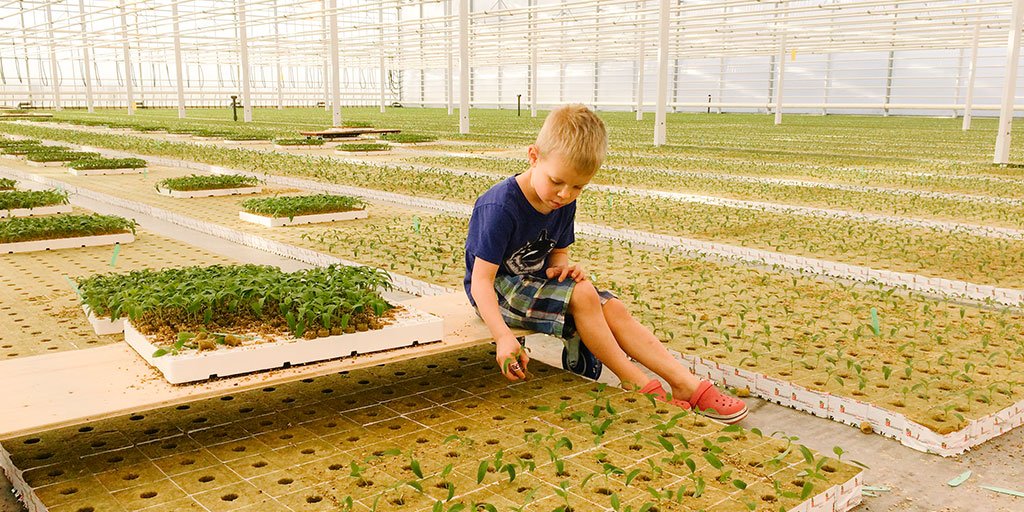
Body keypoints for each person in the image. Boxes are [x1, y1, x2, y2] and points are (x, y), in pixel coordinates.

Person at [463, 104, 748, 424]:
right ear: (533, 156)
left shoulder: (563, 201)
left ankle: (684, 383)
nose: (565, 194)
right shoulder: (500, 205)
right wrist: (503, 336)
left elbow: (557, 255)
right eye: (557, 181)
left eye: (578, 187)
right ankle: (636, 383)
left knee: (612, 307)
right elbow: (481, 282)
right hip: (497, 292)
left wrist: (561, 271)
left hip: (532, 284)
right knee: (584, 295)